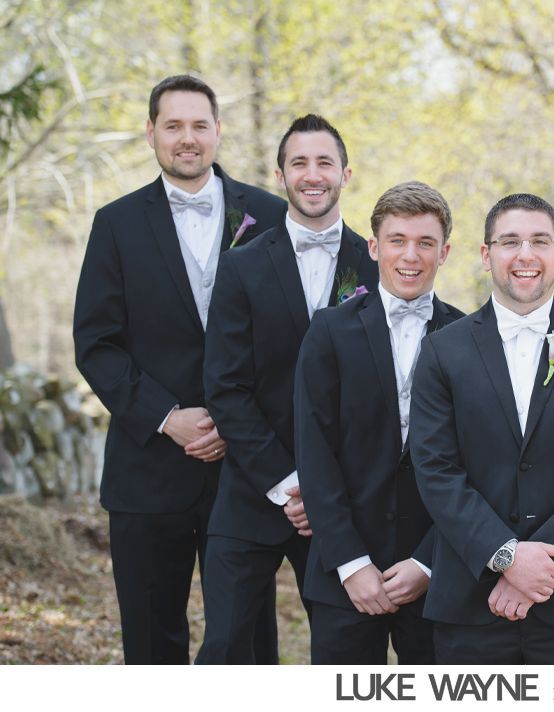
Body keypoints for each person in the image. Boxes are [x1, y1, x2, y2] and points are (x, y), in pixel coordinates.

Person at [73, 74, 286, 664]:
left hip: (245, 472)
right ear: (151, 134)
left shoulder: (270, 216)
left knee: (244, 644)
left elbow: (292, 338)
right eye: (173, 126)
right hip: (147, 470)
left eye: (198, 125)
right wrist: (167, 417)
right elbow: (96, 343)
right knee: (150, 642)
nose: (186, 138)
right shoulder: (114, 224)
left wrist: (238, 422)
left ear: (218, 132)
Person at [409, 193, 554, 664]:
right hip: (472, 601)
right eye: (510, 241)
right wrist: (506, 556)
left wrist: (543, 567)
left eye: (539, 241)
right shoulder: (441, 351)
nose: (525, 255)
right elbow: (435, 470)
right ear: (486, 254)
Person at [195, 114, 378, 663]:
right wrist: (290, 483)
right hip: (254, 490)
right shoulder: (241, 267)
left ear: (346, 173)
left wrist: (323, 492)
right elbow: (225, 388)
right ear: (280, 175)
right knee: (225, 650)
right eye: (299, 162)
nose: (312, 174)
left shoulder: (376, 266)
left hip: (344, 507)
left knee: (344, 659)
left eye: (324, 162)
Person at [294, 181, 464, 664]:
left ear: (444, 251)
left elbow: (478, 463)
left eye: (425, 243)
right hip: (343, 574)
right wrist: (351, 564)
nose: (410, 256)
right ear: (373, 247)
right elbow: (315, 454)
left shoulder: (470, 337)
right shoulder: (328, 332)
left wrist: (428, 562)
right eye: (397, 240)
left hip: (439, 574)